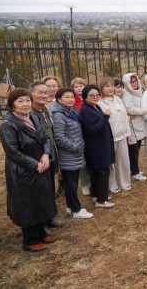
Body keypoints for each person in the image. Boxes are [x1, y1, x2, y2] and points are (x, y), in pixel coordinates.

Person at [0, 88, 57, 252]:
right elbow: (13, 152)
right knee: (28, 203)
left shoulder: (33, 117)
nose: (25, 104)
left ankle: (41, 232)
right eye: (20, 101)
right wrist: (34, 164)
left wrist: (46, 155)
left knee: (40, 199)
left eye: (27, 100)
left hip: (41, 165)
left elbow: (45, 138)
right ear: (12, 105)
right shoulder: (8, 126)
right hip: (23, 171)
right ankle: (29, 240)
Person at [51, 88, 96, 216]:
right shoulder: (59, 115)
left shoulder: (72, 112)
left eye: (72, 97)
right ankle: (76, 210)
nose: (70, 99)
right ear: (59, 99)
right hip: (69, 154)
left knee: (72, 183)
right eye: (67, 97)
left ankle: (70, 207)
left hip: (75, 154)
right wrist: (75, 147)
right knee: (71, 184)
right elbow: (59, 138)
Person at [30, 82, 64, 228]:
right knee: (41, 191)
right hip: (38, 158)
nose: (44, 95)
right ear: (31, 93)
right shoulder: (30, 113)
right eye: (40, 92)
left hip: (50, 154)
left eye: (46, 92)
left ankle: (50, 217)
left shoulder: (44, 109)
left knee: (50, 187)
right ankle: (41, 222)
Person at [80, 85, 115, 209]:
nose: (95, 97)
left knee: (96, 172)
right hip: (96, 148)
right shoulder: (85, 111)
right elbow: (92, 129)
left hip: (100, 146)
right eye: (91, 95)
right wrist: (105, 117)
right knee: (102, 172)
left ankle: (97, 195)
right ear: (85, 97)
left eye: (96, 95)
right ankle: (101, 200)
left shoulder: (95, 107)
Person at [98, 77, 132, 194]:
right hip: (108, 138)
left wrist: (127, 133)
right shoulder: (99, 103)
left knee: (123, 161)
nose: (110, 88)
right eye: (107, 86)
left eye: (112, 86)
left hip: (121, 136)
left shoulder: (118, 99)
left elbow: (124, 117)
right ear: (101, 88)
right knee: (111, 164)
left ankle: (124, 183)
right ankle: (113, 186)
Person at [121, 72, 147, 181]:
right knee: (133, 150)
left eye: (135, 80)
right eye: (131, 82)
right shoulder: (126, 94)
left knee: (136, 149)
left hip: (139, 124)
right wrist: (144, 111)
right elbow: (130, 109)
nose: (134, 83)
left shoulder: (138, 92)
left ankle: (134, 169)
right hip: (132, 126)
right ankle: (135, 172)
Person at [70, 77, 90, 196]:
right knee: (82, 160)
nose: (79, 88)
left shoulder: (89, 98)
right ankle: (84, 183)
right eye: (76, 86)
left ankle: (91, 181)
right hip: (79, 133)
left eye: (81, 85)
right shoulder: (72, 101)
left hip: (90, 133)